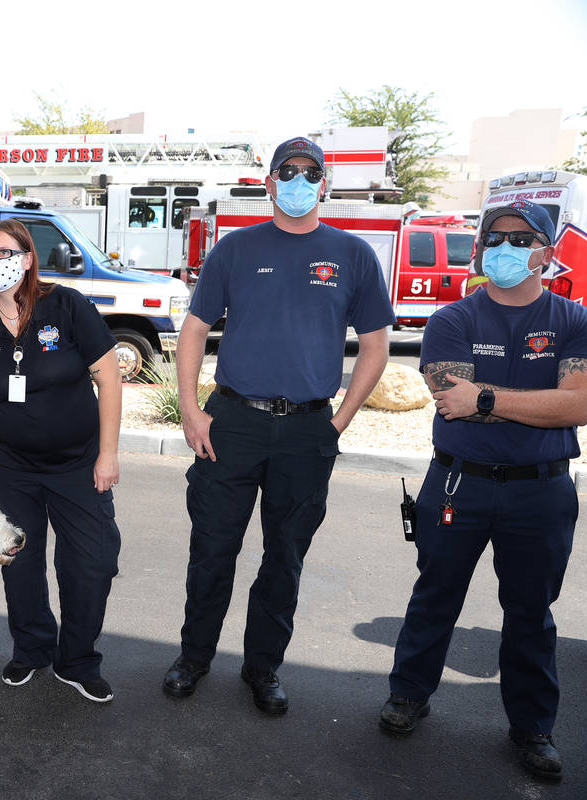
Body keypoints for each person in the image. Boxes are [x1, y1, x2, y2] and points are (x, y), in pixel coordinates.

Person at [161, 137, 393, 714]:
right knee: (212, 548)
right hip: (234, 421)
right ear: (268, 183)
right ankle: (194, 657)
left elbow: (375, 346)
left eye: (308, 172)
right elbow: (193, 330)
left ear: (324, 184)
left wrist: (337, 422)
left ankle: (263, 669)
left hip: (308, 431)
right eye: (286, 172)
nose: (297, 181)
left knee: (284, 556)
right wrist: (191, 408)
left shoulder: (354, 254)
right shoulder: (235, 249)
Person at [379, 200, 587, 782]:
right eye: (496, 237)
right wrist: (540, 405)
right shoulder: (452, 320)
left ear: (548, 254)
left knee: (529, 614)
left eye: (523, 240)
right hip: (456, 485)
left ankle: (532, 726)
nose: (507, 248)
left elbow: (580, 405)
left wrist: (491, 399)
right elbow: (453, 402)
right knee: (435, 596)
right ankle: (408, 696)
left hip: (541, 493)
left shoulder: (574, 321)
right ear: (480, 247)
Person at [0, 219, 123, 704]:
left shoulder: (66, 305)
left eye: (5, 252)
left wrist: (108, 453)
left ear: (28, 258)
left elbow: (109, 380)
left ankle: (78, 661)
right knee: (19, 562)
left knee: (92, 563)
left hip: (78, 464)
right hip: (8, 467)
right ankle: (32, 650)